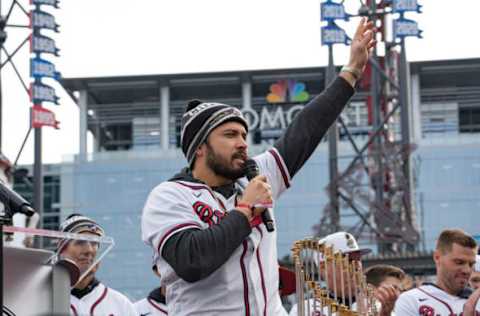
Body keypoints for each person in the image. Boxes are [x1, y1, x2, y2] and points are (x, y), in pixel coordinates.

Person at [141, 18, 376, 316]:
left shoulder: (255, 176)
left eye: (243, 135)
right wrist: (245, 210)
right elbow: (193, 260)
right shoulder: (169, 196)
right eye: (229, 135)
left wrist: (351, 72)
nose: (242, 143)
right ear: (199, 148)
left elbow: (304, 131)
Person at [57, 213, 138, 316]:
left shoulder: (121, 304)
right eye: (80, 242)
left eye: (94, 243)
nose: (89, 250)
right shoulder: (43, 299)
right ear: (62, 250)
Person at [394, 228, 480, 315]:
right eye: (459, 262)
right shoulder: (411, 299)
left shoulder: (477, 301)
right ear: (437, 257)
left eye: (471, 264)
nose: (467, 270)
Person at [288, 232, 371, 315]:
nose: (356, 265)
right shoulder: (305, 310)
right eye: (348, 260)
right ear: (323, 267)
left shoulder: (376, 304)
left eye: (358, 259)